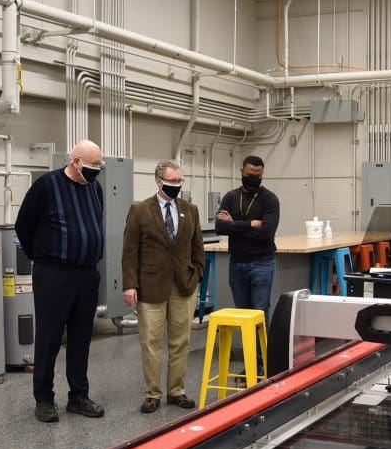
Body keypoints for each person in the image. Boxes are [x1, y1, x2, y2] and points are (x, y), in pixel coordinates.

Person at [15, 139, 106, 423]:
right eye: (91, 166)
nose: (95, 171)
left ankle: (78, 395)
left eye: (98, 166)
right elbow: (23, 225)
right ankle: (44, 398)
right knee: (49, 338)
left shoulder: (95, 188)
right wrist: (44, 258)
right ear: (75, 161)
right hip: (54, 273)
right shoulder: (47, 186)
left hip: (87, 274)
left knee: (81, 338)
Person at [121, 160, 205, 413]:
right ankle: (152, 393)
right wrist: (129, 285)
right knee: (151, 341)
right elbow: (129, 251)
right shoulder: (140, 210)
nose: (176, 186)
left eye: (180, 181)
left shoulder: (190, 210)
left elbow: (197, 245)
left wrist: (197, 273)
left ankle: (176, 391)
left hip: (183, 285)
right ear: (158, 181)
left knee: (181, 341)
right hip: (150, 285)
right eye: (171, 182)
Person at [215, 155, 280, 323]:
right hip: (236, 263)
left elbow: (266, 234)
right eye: (250, 174)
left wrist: (234, 225)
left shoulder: (269, 199)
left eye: (258, 176)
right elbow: (220, 227)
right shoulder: (231, 197)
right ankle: (247, 349)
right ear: (241, 172)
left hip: (262, 263)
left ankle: (262, 350)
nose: (254, 178)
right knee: (242, 314)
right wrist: (251, 224)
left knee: (260, 312)